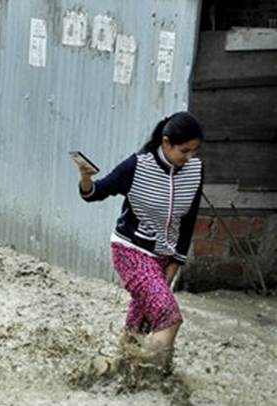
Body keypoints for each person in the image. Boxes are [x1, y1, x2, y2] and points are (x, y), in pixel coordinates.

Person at [76, 112, 204, 373]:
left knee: (138, 326)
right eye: (184, 151)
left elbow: (189, 219)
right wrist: (86, 178)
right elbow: (95, 193)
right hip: (131, 251)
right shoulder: (137, 166)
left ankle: (116, 374)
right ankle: (151, 384)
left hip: (164, 256)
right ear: (166, 143)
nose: (190, 157)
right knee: (169, 317)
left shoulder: (195, 170)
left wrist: (175, 263)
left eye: (195, 151)